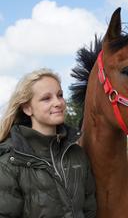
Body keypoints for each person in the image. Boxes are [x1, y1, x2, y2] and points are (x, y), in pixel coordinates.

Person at [0, 68, 97, 218]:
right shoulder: (9, 163)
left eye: (60, 95)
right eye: (46, 98)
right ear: (27, 108)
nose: (58, 102)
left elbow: (89, 210)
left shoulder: (77, 154)